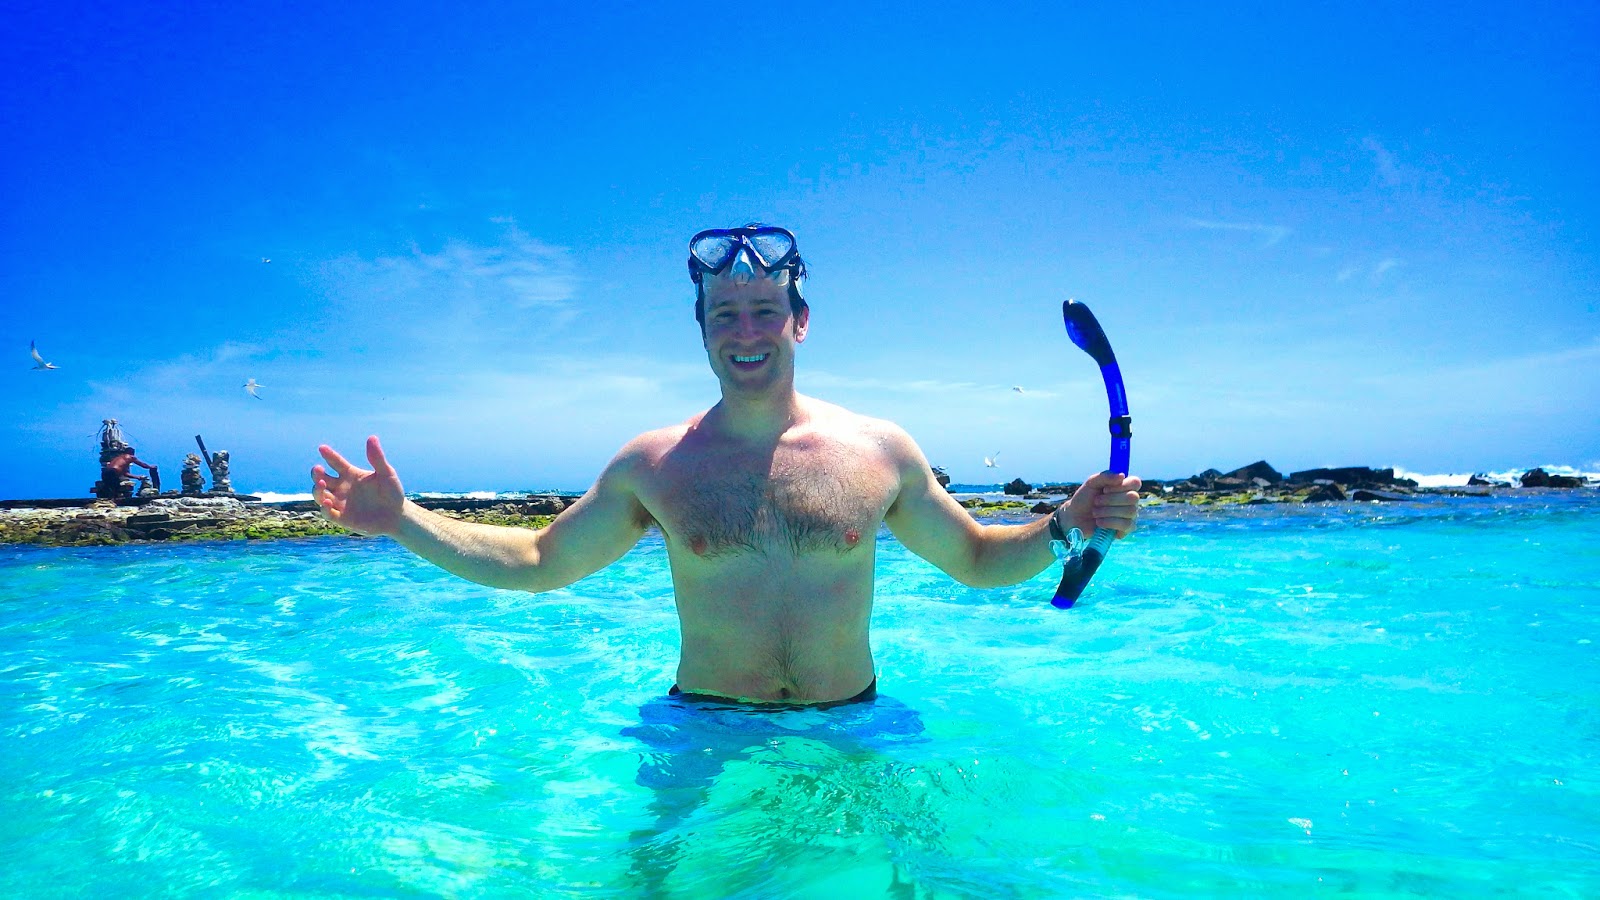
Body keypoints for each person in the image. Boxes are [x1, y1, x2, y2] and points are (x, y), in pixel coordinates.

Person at [312, 224, 1141, 706]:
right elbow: (537, 562)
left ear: (799, 322)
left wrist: (1065, 524)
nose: (746, 333)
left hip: (849, 722)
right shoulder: (654, 464)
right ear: (702, 329)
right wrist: (402, 521)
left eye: (765, 312)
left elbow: (976, 559)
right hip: (706, 726)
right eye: (726, 315)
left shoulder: (879, 450)